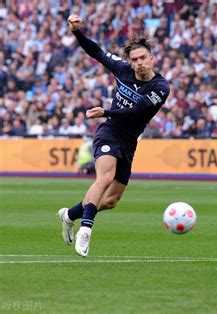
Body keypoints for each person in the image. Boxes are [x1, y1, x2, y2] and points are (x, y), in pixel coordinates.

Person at [57, 15, 170, 257]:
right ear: (129, 61)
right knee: (104, 177)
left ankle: (69, 215)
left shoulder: (160, 88)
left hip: (129, 141)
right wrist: (77, 32)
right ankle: (85, 230)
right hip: (108, 132)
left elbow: (137, 112)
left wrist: (105, 111)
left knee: (110, 201)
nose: (139, 63)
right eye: (135, 59)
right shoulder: (121, 68)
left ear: (152, 59)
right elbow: (96, 51)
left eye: (143, 58)